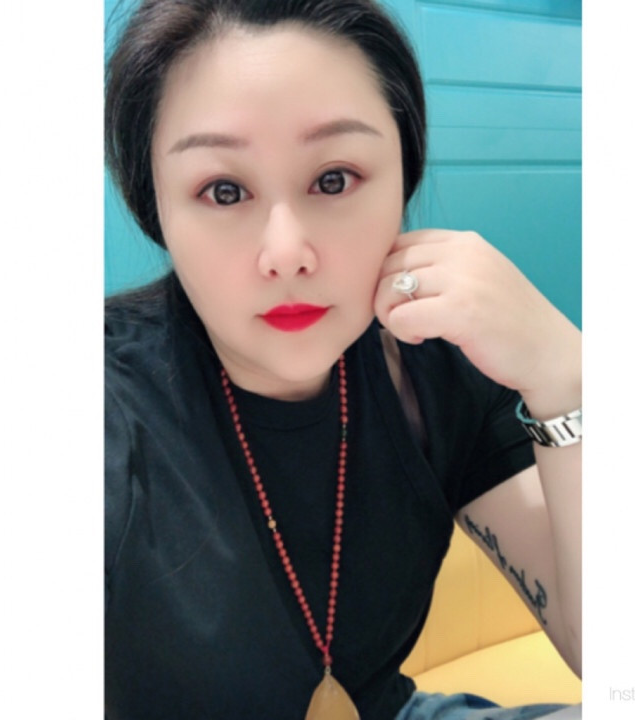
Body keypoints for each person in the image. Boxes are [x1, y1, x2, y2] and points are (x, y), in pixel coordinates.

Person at [104, 1, 582, 718]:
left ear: (402, 180)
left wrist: (567, 376)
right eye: (224, 191)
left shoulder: (433, 363)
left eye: (333, 179)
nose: (286, 252)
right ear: (158, 212)